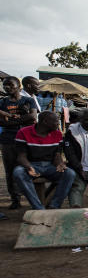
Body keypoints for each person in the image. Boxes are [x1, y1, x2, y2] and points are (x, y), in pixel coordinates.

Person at [12, 110, 76, 210]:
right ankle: (38, 207)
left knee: (69, 173)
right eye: (56, 121)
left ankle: (54, 205)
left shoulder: (57, 134)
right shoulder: (24, 132)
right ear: (45, 122)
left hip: (49, 166)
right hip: (31, 164)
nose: (58, 123)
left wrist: (60, 164)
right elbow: (21, 156)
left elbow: (57, 154)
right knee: (18, 173)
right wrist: (29, 167)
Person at [1, 76, 38, 209]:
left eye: (10, 84)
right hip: (8, 140)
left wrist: (9, 121)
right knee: (10, 170)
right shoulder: (2, 102)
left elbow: (33, 117)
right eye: (5, 85)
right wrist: (22, 119)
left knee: (29, 168)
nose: (7, 87)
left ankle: (33, 197)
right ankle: (15, 199)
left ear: (19, 86)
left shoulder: (28, 100)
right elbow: (1, 121)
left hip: (26, 139)